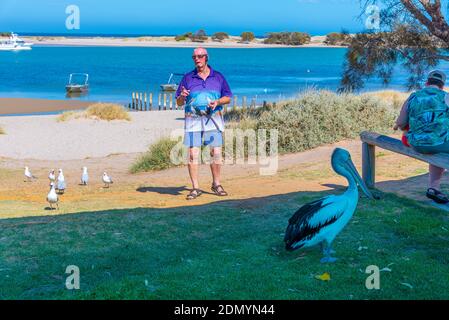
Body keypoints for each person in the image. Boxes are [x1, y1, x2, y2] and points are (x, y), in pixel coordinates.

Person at [175, 47, 232, 200]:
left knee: (216, 153)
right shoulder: (187, 78)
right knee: (193, 154)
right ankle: (195, 188)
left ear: (207, 57)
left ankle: (216, 184)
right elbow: (179, 102)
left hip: (213, 120)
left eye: (200, 56)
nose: (197, 59)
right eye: (194, 57)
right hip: (193, 120)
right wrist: (181, 96)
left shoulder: (218, 77)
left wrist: (218, 102)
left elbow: (228, 97)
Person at [394, 70, 449, 204]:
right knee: (437, 142)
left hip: (416, 143)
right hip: (438, 143)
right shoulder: (446, 96)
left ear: (426, 82)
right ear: (442, 85)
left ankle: (433, 188)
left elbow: (400, 123)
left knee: (435, 147)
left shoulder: (413, 97)